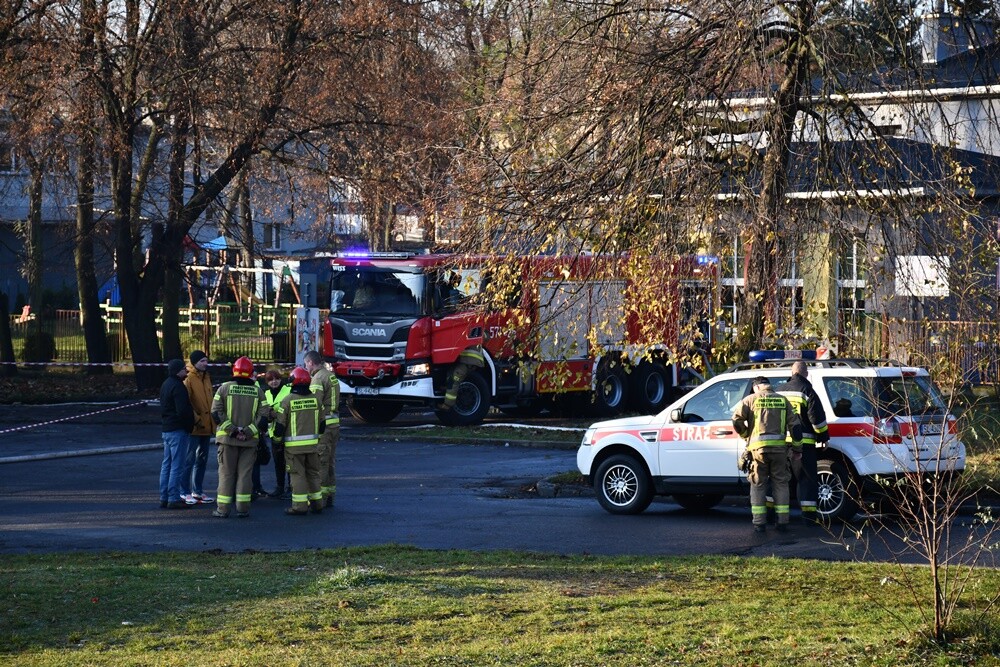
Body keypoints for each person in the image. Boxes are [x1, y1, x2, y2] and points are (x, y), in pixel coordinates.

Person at [732, 376, 802, 533]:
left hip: (757, 451)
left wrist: (745, 435)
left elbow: (736, 420)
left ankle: (759, 524)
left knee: (758, 484)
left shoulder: (750, 400)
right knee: (781, 484)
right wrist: (797, 449)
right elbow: (796, 427)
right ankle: (782, 522)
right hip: (780, 451)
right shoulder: (783, 401)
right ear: (769, 386)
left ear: (756, 387)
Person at [210, 356, 274, 518]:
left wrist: (233, 431)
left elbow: (216, 413)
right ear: (251, 373)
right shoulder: (258, 392)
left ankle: (223, 509)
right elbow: (264, 417)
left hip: (227, 441)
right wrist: (247, 432)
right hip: (249, 442)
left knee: (226, 474)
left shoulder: (224, 388)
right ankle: (243, 509)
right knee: (245, 475)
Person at [776, 361, 830, 525]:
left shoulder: (779, 391)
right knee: (806, 480)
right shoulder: (807, 391)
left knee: (779, 480)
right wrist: (823, 437)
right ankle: (808, 519)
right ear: (806, 374)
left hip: (780, 445)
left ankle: (776, 517)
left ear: (792, 372)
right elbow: (817, 419)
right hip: (804, 445)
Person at [273, 366, 325, 515]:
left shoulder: (288, 400)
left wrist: (277, 442)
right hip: (313, 447)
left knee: (298, 475)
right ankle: (317, 504)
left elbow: (280, 426)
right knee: (313, 474)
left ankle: (300, 507)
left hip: (293, 449)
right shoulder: (316, 399)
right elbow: (322, 425)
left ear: (293, 382)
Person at [304, 350, 340, 508]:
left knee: (321, 462)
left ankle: (320, 498)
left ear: (311, 362)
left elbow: (315, 404)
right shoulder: (330, 375)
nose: (306, 368)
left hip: (324, 425)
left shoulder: (317, 378)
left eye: (306, 364)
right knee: (330, 461)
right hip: (334, 424)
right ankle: (330, 494)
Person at [159, 359, 194, 509]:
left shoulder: (166, 384)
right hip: (178, 430)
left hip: (167, 429)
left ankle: (164, 496)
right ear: (178, 371)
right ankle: (173, 497)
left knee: (166, 464)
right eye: (184, 369)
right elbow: (183, 411)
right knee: (177, 465)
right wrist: (189, 425)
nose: (186, 371)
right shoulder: (179, 387)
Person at [182, 350, 215, 505]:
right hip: (196, 427)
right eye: (202, 361)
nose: (205, 363)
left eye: (206, 360)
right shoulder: (189, 379)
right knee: (189, 460)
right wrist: (197, 420)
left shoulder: (206, 377)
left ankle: (198, 491)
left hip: (207, 426)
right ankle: (184, 491)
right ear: (194, 362)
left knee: (202, 460)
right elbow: (186, 403)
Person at [262, 369, 292, 498]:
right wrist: (268, 414)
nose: (274, 382)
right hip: (274, 432)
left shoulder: (288, 390)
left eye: (277, 379)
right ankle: (280, 487)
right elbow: (262, 410)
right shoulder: (266, 393)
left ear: (281, 379)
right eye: (271, 380)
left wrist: (277, 413)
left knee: (291, 462)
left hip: (288, 431)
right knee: (278, 462)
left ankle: (291, 488)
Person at [440, 341, 484, 412]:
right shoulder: (474, 333)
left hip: (468, 360)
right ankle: (448, 388)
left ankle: (447, 405)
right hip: (470, 360)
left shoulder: (470, 332)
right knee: (451, 374)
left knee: (454, 380)